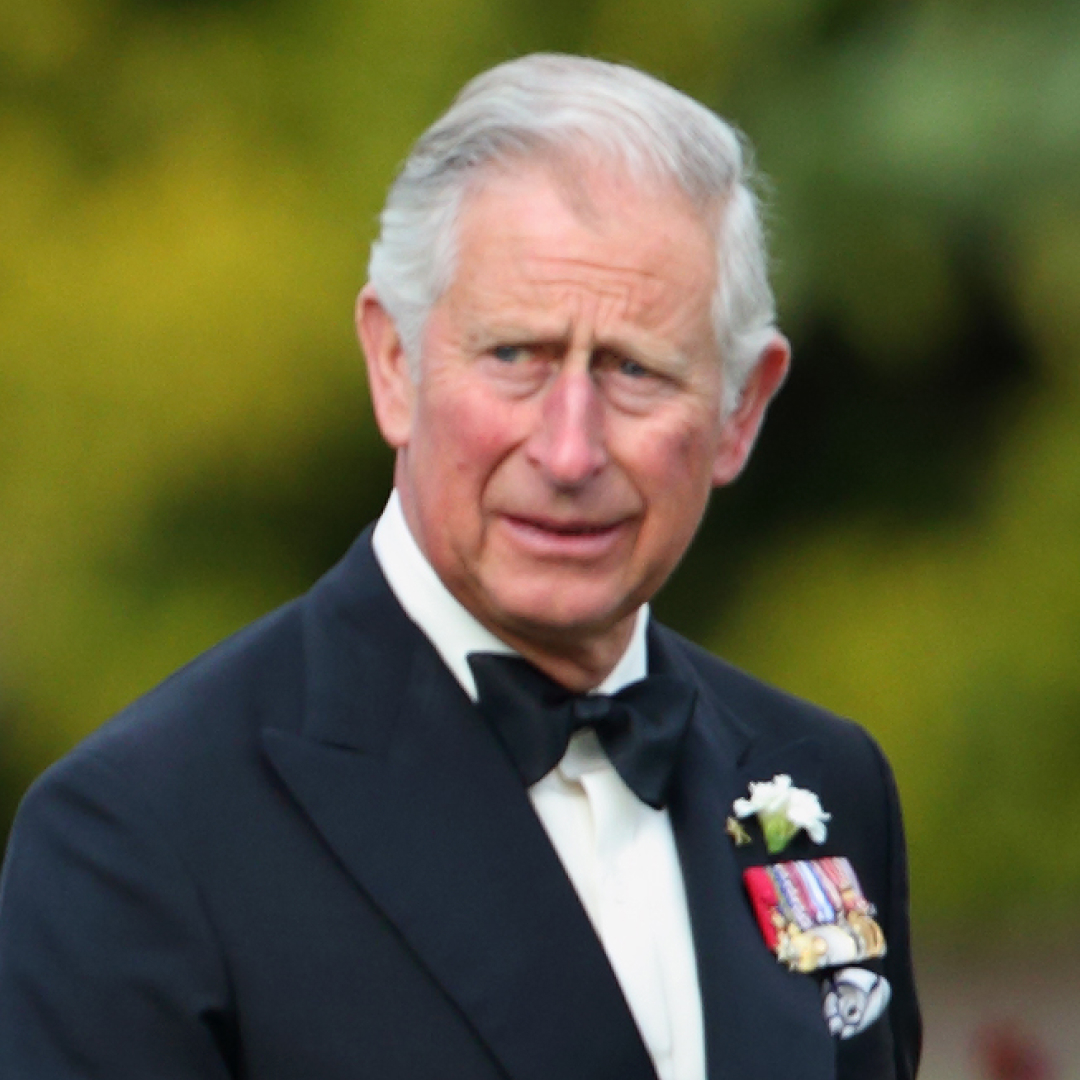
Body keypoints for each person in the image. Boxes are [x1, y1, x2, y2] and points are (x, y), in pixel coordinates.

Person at [0, 53, 921, 1080]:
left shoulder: (829, 782)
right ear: (394, 365)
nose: (569, 452)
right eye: (514, 357)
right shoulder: (143, 836)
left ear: (740, 412)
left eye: (635, 369)